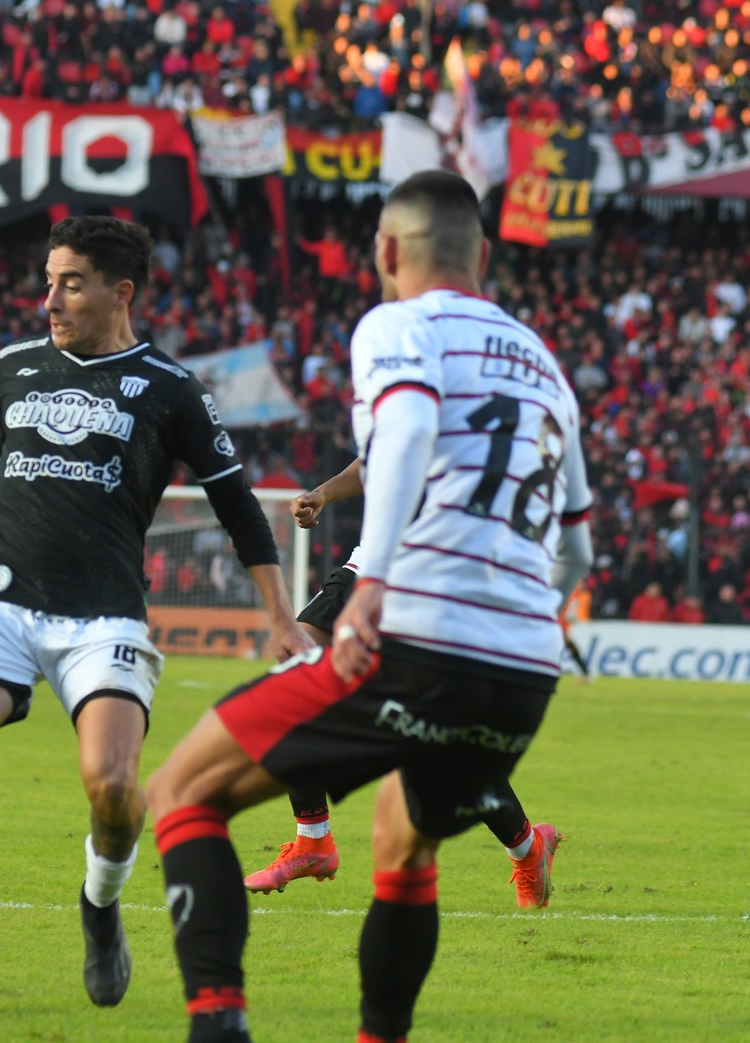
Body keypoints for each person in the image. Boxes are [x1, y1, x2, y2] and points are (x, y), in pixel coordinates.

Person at [146, 171, 594, 1043]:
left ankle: (215, 1024)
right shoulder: (544, 364)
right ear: (485, 256)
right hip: (524, 665)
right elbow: (575, 539)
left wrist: (377, 579)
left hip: (422, 627)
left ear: (387, 251)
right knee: (401, 839)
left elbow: (414, 428)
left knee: (183, 791)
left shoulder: (396, 323)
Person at [0, 216, 310, 1014]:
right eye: (47, 280)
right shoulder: (15, 368)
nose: (50, 299)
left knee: (111, 786)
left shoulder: (170, 388)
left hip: (102, 613)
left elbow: (238, 507)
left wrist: (280, 616)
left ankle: (100, 904)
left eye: (70, 282)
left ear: (120, 291)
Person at [242, 458, 564, 904]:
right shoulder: (400, 398)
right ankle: (313, 840)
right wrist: (323, 493)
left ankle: (528, 849)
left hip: (432, 593)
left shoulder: (482, 417)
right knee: (289, 679)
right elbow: (378, 457)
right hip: (364, 576)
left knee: (443, 747)